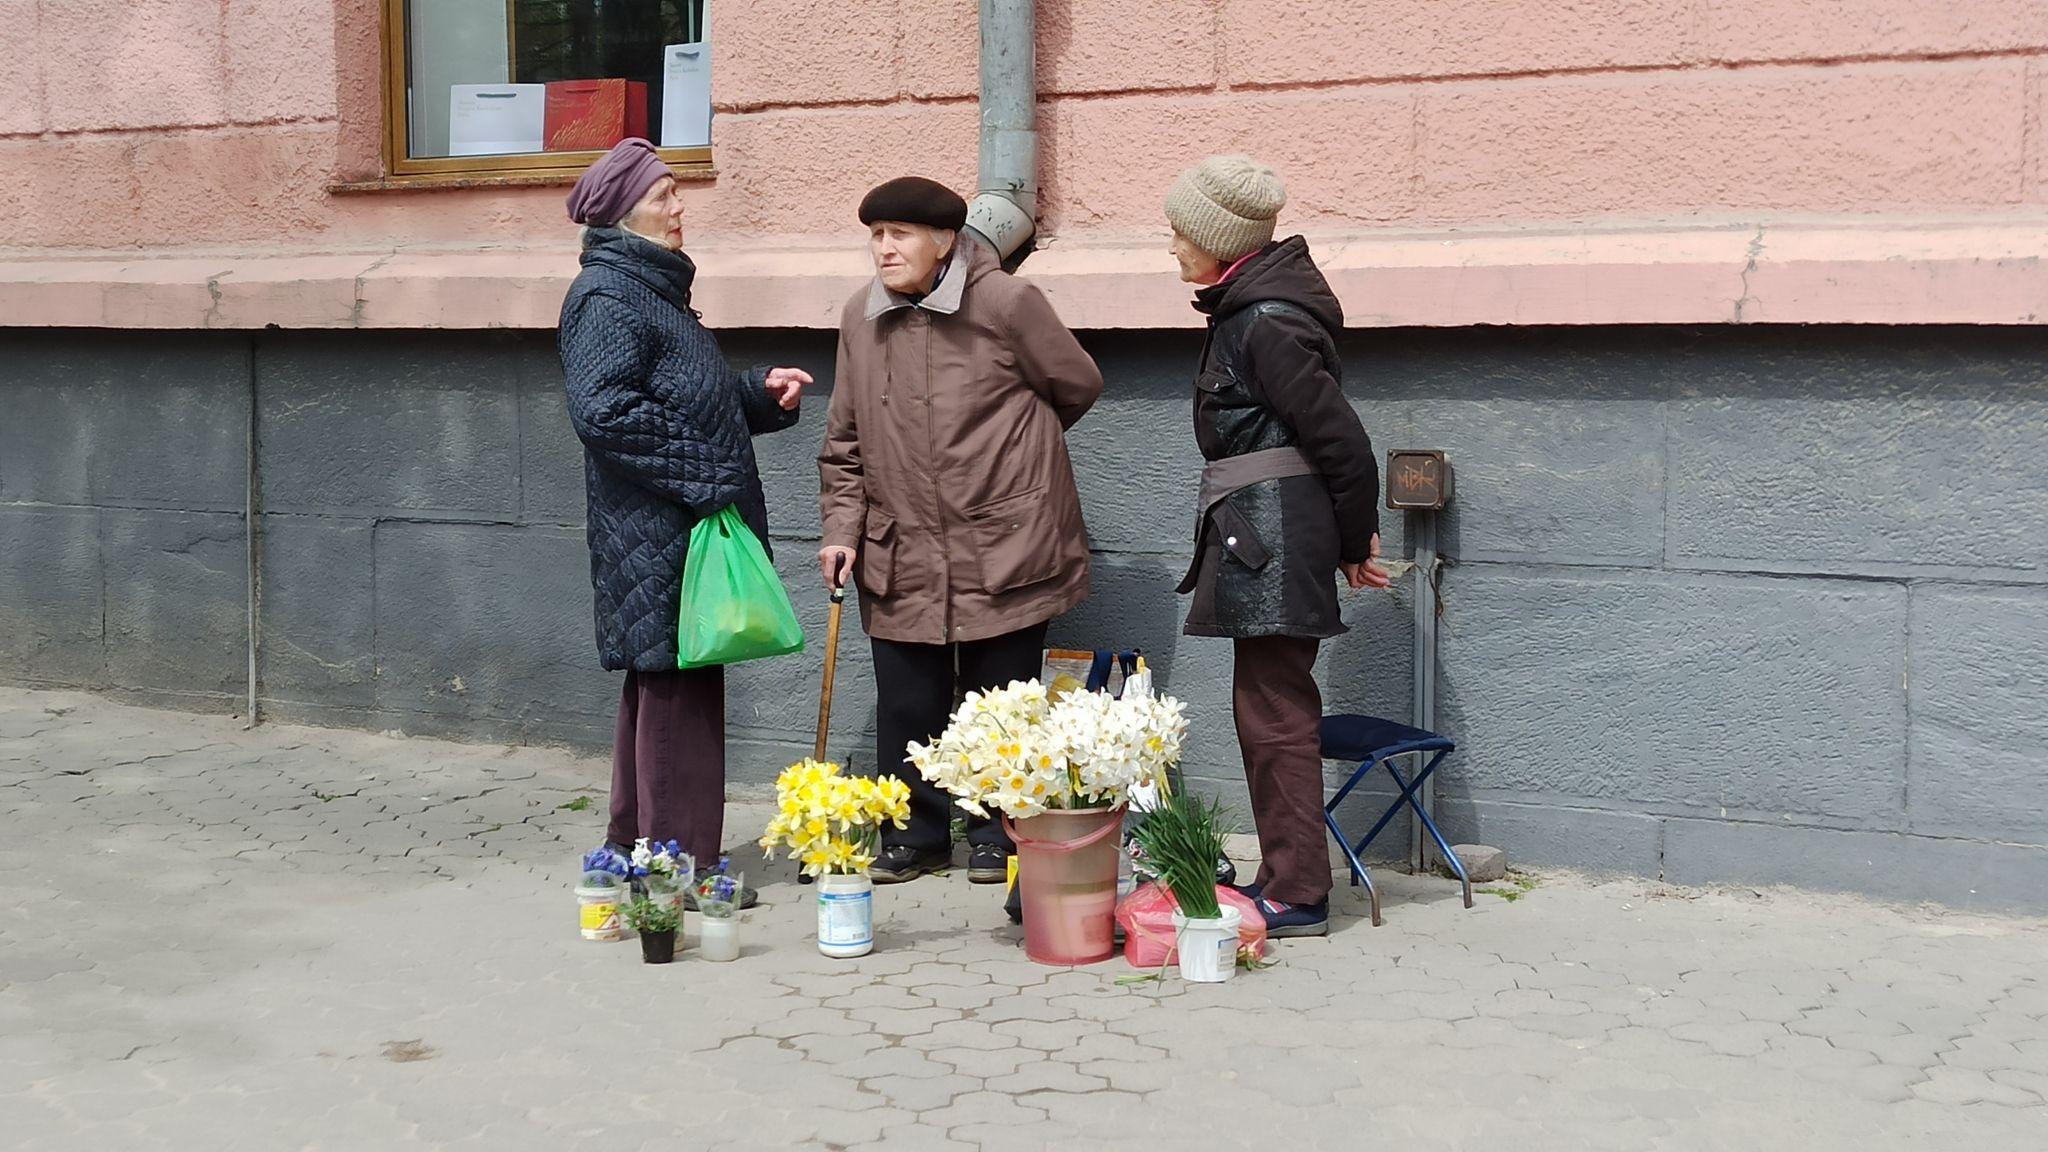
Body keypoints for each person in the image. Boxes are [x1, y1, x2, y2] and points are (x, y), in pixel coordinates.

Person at [818, 176, 1105, 885]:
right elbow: (844, 441)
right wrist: (841, 530)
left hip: (1002, 539)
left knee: (998, 695)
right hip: (900, 543)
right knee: (907, 699)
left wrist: (1018, 456)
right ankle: (915, 835)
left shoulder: (1006, 302)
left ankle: (993, 831)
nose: (884, 249)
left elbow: (1077, 384)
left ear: (946, 241)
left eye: (900, 236)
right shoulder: (861, 317)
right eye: (876, 236)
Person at [557, 139, 813, 906]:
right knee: (676, 691)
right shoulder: (608, 295)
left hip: (672, 522)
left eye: (675, 192)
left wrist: (756, 396)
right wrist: (706, 478)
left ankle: (636, 845)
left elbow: (679, 398)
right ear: (619, 210)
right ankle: (680, 868)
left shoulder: (649, 291)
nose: (679, 207)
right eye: (664, 194)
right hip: (660, 526)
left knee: (666, 683)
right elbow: (604, 410)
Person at [1164, 155, 1389, 937]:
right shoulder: (1251, 309)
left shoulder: (1264, 321)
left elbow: (1342, 440)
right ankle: (1284, 878)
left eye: (1181, 233)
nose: (1171, 247)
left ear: (1222, 243)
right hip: (1264, 531)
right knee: (1267, 712)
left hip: (1273, 538)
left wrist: (1354, 536)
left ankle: (1297, 892)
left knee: (1275, 715)